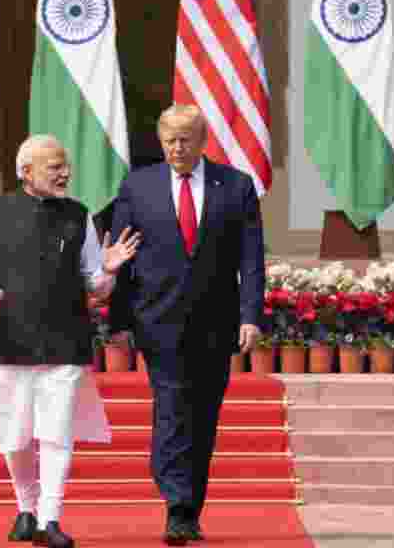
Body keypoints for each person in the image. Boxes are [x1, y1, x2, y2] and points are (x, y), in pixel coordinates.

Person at [0, 134, 141, 548]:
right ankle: (25, 507)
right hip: (7, 341)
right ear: (26, 172)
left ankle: (50, 519)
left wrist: (108, 270)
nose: (65, 173)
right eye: (54, 166)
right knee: (14, 433)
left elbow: (94, 283)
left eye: (65, 165)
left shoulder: (79, 215)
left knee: (57, 432)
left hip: (65, 341)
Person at [107, 104, 265, 545]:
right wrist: (118, 321)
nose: (177, 147)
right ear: (160, 141)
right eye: (169, 140)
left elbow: (251, 258)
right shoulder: (137, 186)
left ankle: (189, 504)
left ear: (203, 140)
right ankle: (176, 502)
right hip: (157, 318)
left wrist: (251, 316)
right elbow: (122, 256)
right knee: (173, 403)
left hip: (216, 320)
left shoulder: (235, 186)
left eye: (185, 139)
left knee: (203, 415)